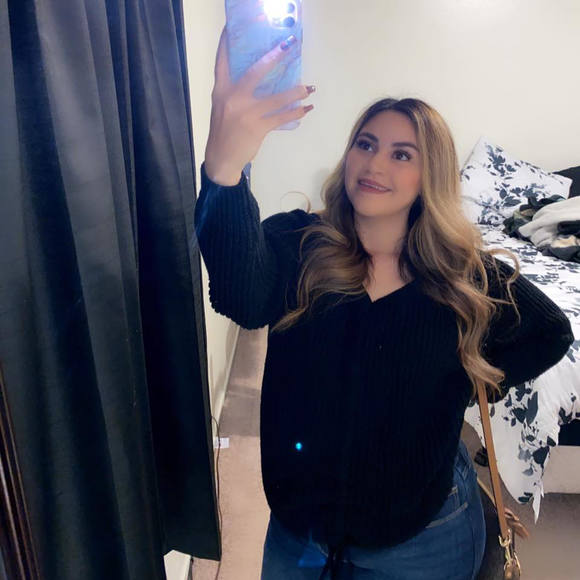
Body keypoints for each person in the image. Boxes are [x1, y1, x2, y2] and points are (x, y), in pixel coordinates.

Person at [194, 30, 575, 580]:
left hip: (424, 540)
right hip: (299, 534)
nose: (375, 164)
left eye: (402, 154)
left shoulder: (461, 276)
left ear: (430, 175)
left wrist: (462, 384)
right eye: (366, 144)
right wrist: (224, 169)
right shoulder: (298, 244)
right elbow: (241, 297)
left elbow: (550, 331)